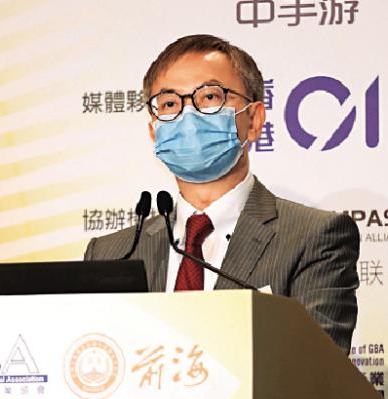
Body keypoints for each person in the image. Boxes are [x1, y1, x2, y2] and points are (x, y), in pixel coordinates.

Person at [84, 34, 359, 353]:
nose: (188, 117)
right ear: (153, 131)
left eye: (210, 97)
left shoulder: (312, 237)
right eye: (170, 104)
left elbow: (315, 368)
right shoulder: (111, 254)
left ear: (254, 120)